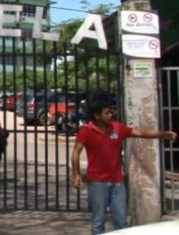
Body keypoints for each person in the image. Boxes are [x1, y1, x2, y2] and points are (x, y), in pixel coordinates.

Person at [71, 100, 177, 235]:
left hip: (117, 183)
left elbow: (139, 132)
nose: (110, 115)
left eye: (111, 112)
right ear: (97, 116)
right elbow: (76, 153)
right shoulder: (86, 131)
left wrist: (161, 135)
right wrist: (76, 175)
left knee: (121, 220)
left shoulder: (117, 128)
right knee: (98, 221)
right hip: (97, 183)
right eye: (106, 113)